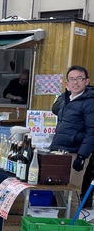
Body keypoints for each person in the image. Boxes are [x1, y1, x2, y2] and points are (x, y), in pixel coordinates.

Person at [49, 65, 94, 217]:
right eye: (72, 79)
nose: (75, 82)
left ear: (87, 81)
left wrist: (82, 156)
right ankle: (62, 223)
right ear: (67, 83)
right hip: (60, 151)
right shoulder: (66, 100)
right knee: (59, 191)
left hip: (75, 153)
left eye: (79, 79)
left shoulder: (90, 102)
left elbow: (92, 131)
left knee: (72, 193)